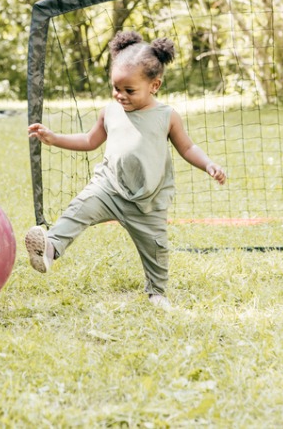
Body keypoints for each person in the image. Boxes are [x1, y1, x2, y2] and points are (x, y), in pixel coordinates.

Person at [25, 31, 227, 309]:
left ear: (154, 85)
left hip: (147, 199)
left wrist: (209, 164)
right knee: (78, 209)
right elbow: (88, 140)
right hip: (108, 187)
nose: (120, 95)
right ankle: (49, 248)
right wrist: (54, 138)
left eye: (129, 90)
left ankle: (157, 292)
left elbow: (188, 148)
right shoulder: (109, 111)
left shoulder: (167, 116)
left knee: (156, 249)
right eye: (116, 88)